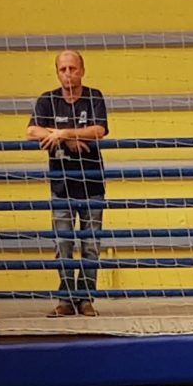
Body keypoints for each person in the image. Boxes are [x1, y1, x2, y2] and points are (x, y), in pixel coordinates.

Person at [28, 50, 110, 316]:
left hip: (92, 184)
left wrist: (63, 132)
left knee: (90, 245)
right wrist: (68, 139)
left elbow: (99, 130)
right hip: (61, 185)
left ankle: (85, 299)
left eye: (72, 68)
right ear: (57, 73)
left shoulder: (94, 96)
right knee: (63, 244)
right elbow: (31, 131)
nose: (68, 74)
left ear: (82, 70)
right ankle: (65, 300)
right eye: (63, 69)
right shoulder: (47, 100)